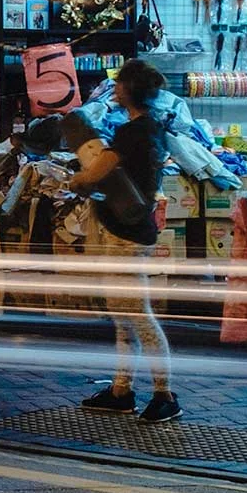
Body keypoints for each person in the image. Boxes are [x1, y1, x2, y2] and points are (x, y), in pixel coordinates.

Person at [67, 58, 180, 423]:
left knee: (138, 317)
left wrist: (76, 180)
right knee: (123, 317)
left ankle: (164, 394)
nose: (114, 88)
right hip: (133, 229)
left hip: (125, 236)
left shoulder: (131, 134)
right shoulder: (154, 128)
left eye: (119, 84)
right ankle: (121, 390)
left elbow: (96, 173)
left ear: (129, 89)